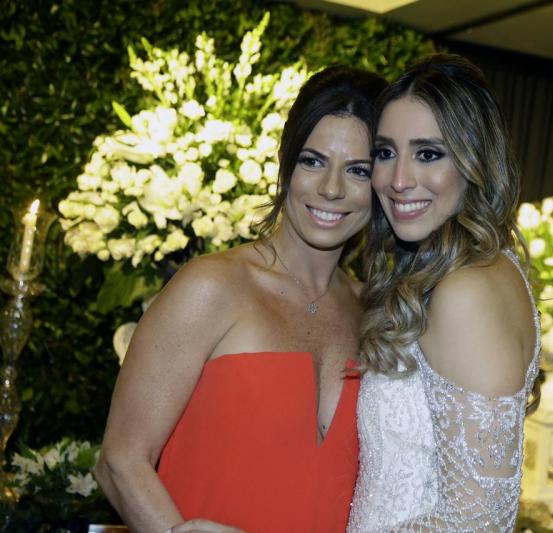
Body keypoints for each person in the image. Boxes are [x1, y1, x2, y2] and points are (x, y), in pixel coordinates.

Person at [95, 65, 387, 533]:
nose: (331, 188)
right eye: (313, 161)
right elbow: (121, 461)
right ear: (286, 165)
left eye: (358, 170)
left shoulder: (377, 313)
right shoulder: (211, 287)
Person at [348, 54, 541, 532]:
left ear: (475, 162)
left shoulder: (465, 290)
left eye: (428, 154)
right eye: (386, 152)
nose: (398, 180)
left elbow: (477, 520)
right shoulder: (486, 269)